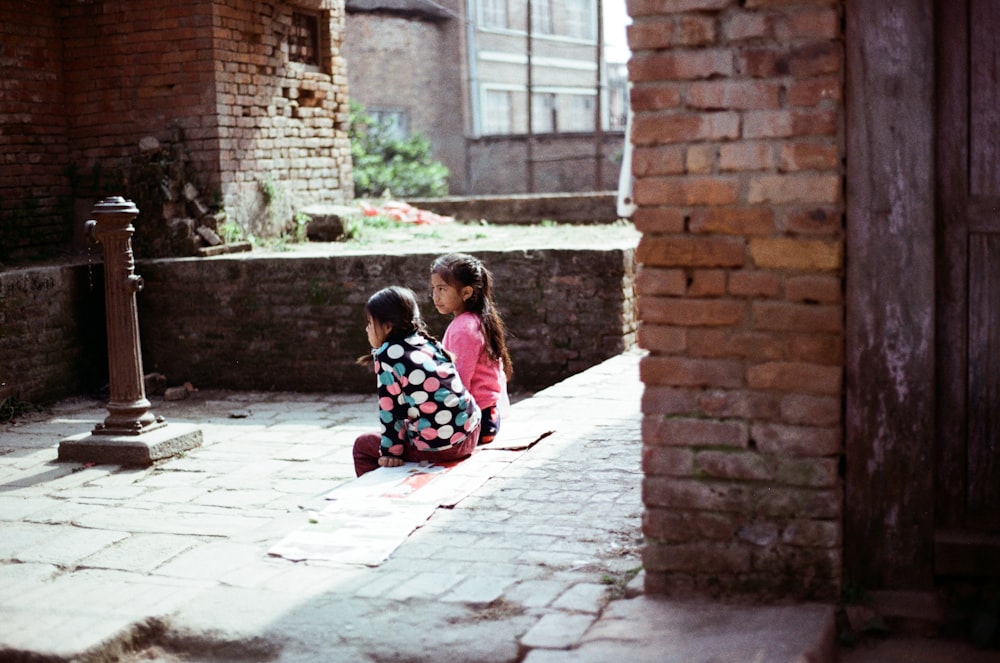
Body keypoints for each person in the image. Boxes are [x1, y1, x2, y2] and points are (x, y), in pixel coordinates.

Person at [352, 286, 481, 477]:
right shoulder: (425, 342)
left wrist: (390, 453)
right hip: (471, 431)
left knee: (363, 445)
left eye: (370, 323)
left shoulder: (387, 355)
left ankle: (380, 491)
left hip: (444, 447)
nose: (367, 329)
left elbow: (391, 412)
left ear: (388, 326)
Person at [430, 253, 512, 445]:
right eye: (434, 288)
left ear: (466, 292)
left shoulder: (464, 329)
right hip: (487, 417)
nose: (435, 296)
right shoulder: (475, 320)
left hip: (477, 421)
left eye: (442, 289)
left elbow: (458, 382)